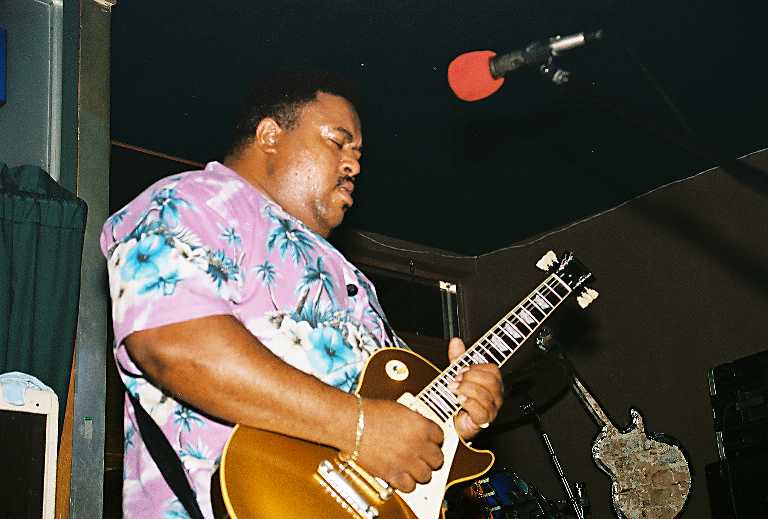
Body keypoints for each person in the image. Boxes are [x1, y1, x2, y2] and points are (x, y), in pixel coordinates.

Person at [101, 72, 503, 518]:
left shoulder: (350, 279)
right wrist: (359, 426)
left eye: (359, 154)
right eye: (339, 142)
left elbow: (389, 434)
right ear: (270, 136)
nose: (354, 166)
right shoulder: (195, 201)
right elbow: (174, 343)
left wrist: (449, 425)